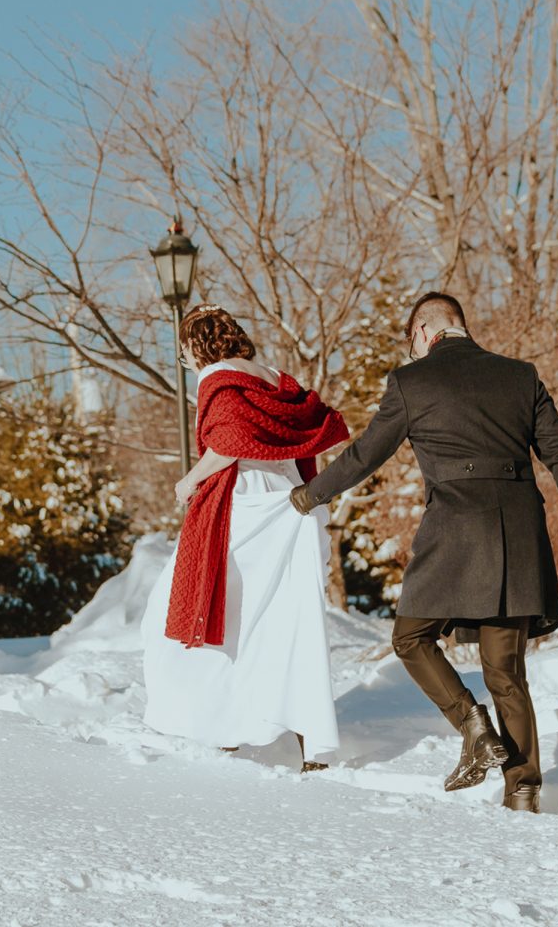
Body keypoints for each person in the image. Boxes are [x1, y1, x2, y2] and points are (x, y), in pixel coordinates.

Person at [289, 293, 558, 812]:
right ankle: (523, 788)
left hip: (453, 531)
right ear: (459, 324)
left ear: (422, 331)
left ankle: (473, 725)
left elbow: (366, 454)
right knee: (505, 671)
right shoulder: (520, 376)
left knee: (410, 637)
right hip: (518, 535)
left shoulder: (411, 382)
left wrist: (310, 495)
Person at [142, 304, 350, 770]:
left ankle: (221, 726)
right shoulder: (275, 378)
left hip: (244, 502)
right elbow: (300, 430)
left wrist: (189, 480)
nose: (184, 358)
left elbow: (230, 442)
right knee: (285, 620)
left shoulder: (216, 376)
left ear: (197, 344)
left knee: (203, 609)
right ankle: (308, 740)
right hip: (290, 501)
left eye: (183, 349)